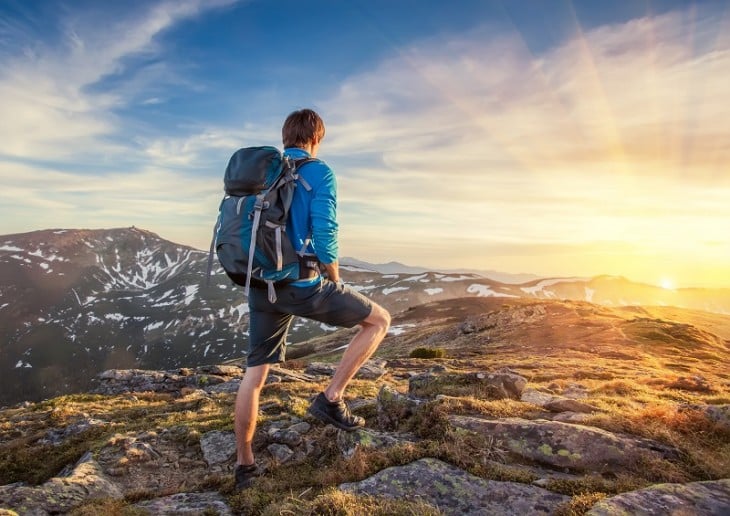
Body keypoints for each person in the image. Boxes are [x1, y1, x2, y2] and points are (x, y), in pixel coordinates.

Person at [233, 109, 391, 489]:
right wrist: (333, 279)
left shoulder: (262, 175)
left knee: (254, 377)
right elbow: (325, 234)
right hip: (301, 286)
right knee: (379, 320)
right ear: (317, 138)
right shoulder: (319, 172)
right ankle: (331, 398)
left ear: (285, 136)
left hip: (259, 285)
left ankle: (244, 467)